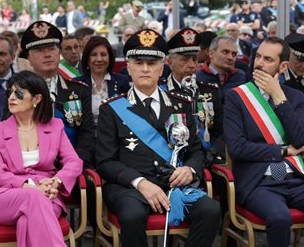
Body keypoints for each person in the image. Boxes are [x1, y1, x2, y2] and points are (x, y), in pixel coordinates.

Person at [96, 28, 221, 247]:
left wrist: (189, 169)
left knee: (211, 209)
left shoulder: (181, 104)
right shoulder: (112, 108)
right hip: (131, 188)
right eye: (138, 63)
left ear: (162, 66)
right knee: (132, 216)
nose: (145, 69)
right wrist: (140, 182)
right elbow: (105, 162)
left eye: (152, 63)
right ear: (128, 67)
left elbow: (196, 151)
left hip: (175, 185)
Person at [224, 37, 304, 247]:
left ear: (282, 66)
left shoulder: (294, 97)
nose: (260, 63)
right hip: (259, 182)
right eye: (258, 57)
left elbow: (300, 139)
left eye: (268, 59)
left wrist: (278, 96)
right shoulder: (237, 97)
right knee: (280, 218)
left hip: (295, 178)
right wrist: (283, 152)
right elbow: (237, 148)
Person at [0, 70, 82, 247]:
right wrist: (31, 187)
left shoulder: (55, 126)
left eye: (19, 93)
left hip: (47, 193)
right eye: (10, 92)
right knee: (33, 197)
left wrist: (56, 182)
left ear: (36, 99)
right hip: (4, 196)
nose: (12, 97)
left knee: (26, 222)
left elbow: (74, 162)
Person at [21, 21, 94, 167]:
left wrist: (74, 164)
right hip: (29, 167)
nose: (47, 54)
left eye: (51, 48)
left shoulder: (79, 91)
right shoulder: (18, 92)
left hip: (72, 167)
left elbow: (87, 134)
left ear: (59, 53)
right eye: (40, 50)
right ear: (29, 58)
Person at [164, 28, 224, 160]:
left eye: (194, 59)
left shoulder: (210, 91)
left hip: (209, 159)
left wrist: (214, 150)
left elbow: (222, 131)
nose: (192, 65)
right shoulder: (161, 93)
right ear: (170, 63)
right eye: (185, 60)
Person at [74, 36, 129, 128]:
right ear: (87, 58)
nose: (99, 59)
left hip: (114, 138)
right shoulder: (77, 84)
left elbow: (126, 116)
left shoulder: (122, 81)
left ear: (110, 57)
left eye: (103, 54)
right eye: (94, 54)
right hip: (86, 139)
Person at [196, 36, 246, 100]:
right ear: (211, 53)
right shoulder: (197, 77)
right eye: (225, 52)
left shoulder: (240, 76)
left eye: (234, 54)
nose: (230, 57)